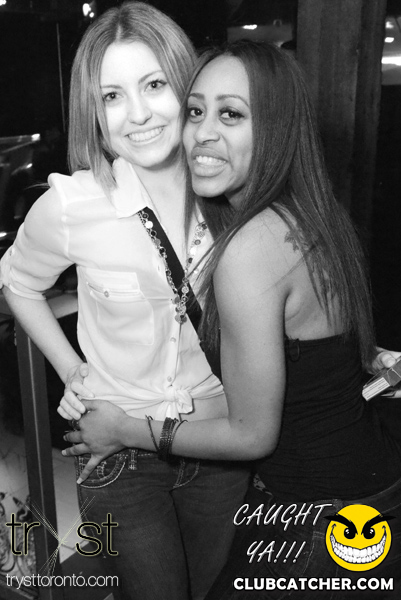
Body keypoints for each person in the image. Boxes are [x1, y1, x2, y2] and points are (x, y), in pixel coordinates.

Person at [60, 40, 401, 598]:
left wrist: (123, 430)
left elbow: (251, 434)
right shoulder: (313, 214)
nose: (203, 133)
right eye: (196, 111)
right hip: (371, 489)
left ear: (277, 129)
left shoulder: (250, 248)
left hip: (321, 517)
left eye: (232, 115)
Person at [0, 5, 251, 600]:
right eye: (112, 96)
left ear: (187, 86)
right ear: (93, 111)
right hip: (119, 452)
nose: (137, 114)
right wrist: (72, 369)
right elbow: (17, 281)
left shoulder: (234, 191)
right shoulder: (73, 206)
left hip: (219, 443)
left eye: (154, 85)